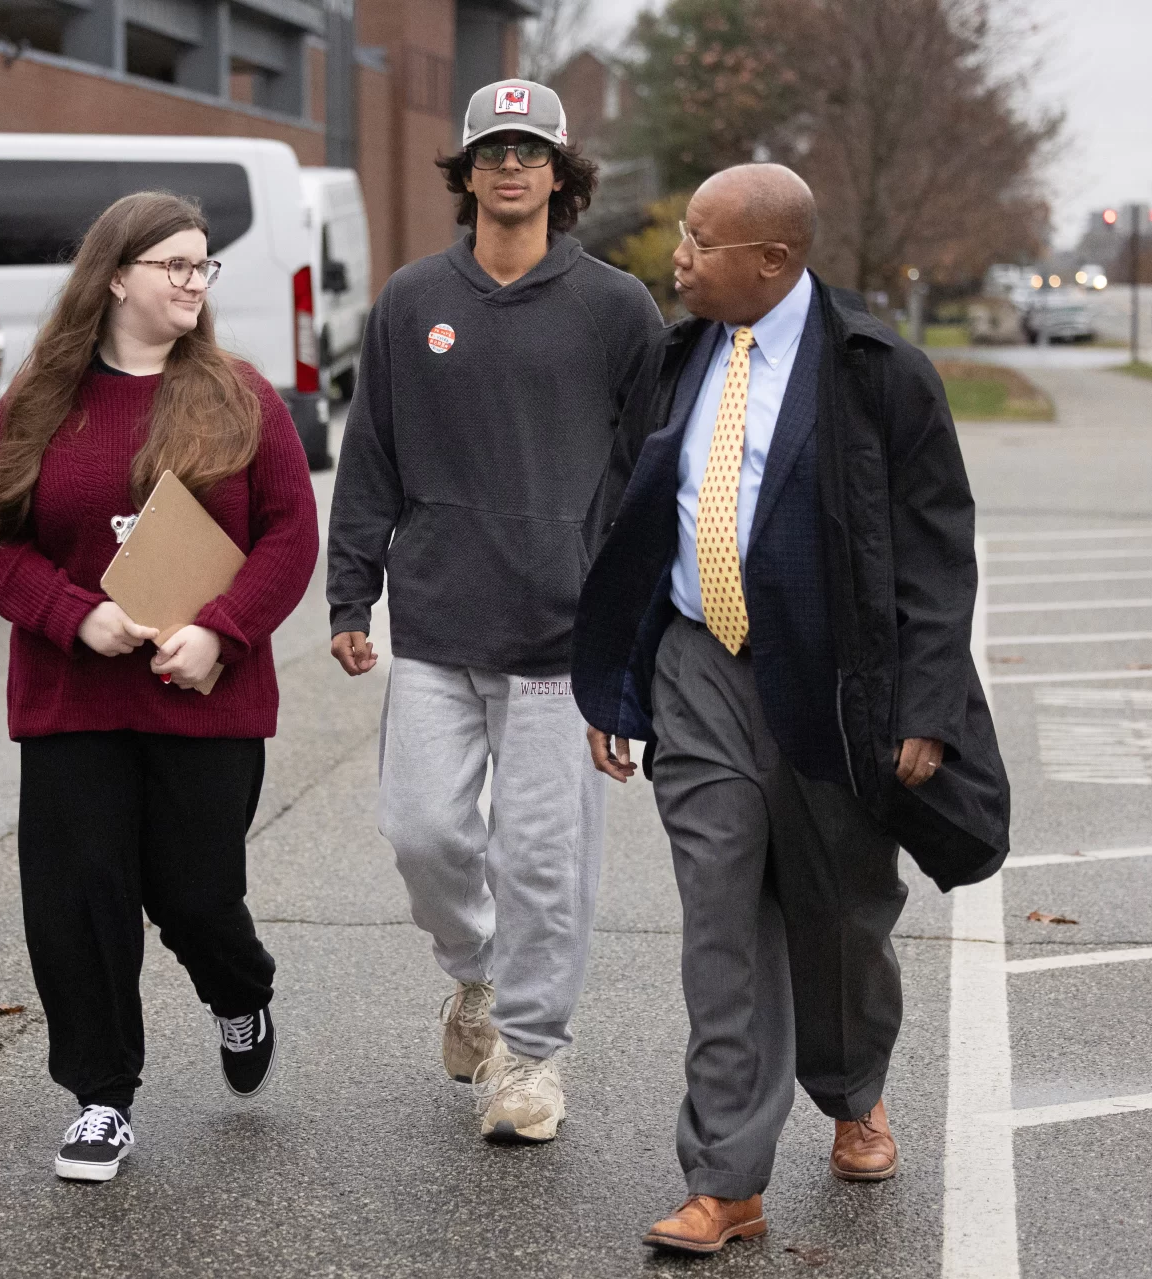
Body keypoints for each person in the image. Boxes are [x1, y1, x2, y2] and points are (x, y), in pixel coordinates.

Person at [570, 163, 1009, 1255]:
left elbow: (934, 552)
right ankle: (726, 1179)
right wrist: (615, 678)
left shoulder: (875, 375)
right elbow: (627, 522)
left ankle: (852, 1088)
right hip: (696, 666)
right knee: (719, 915)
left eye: (699, 242)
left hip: (831, 683)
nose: (676, 256)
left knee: (842, 913)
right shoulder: (673, 362)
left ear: (772, 259)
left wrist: (926, 702)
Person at [0, 191, 318, 1184]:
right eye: (175, 266)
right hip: (73, 698)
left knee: (196, 896)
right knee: (77, 899)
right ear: (115, 276)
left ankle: (238, 990)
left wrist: (222, 633)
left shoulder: (241, 395)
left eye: (203, 267)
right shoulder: (42, 398)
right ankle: (101, 1097)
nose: (194, 282)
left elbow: (289, 536)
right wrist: (77, 614)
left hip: (205, 696)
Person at [325, 79, 662, 1144]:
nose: (510, 166)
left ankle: (529, 1055)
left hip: (563, 633)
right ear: (464, 171)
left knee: (543, 857)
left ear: (559, 175)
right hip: (433, 619)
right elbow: (367, 454)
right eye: (492, 150)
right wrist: (350, 589)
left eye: (530, 151)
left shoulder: (616, 309)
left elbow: (646, 472)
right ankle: (473, 975)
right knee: (422, 830)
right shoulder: (411, 300)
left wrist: (630, 616)